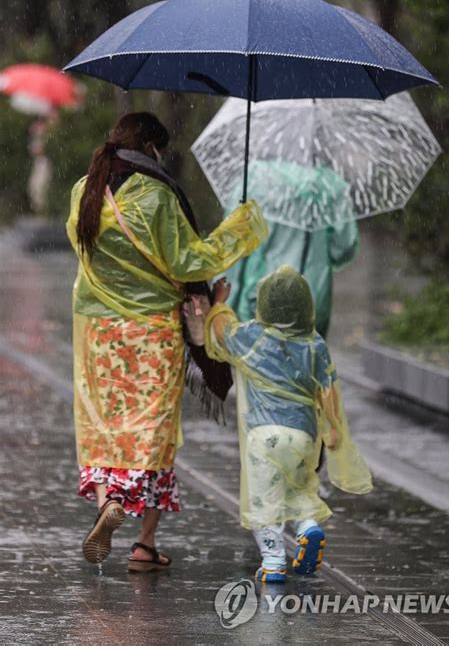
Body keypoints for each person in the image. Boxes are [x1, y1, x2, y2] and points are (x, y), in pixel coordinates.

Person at [66, 111, 267, 572]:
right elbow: (187, 261)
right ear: (152, 149)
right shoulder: (157, 196)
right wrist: (240, 228)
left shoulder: (84, 190)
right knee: (153, 434)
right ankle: (144, 544)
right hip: (152, 333)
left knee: (104, 426)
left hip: (99, 332)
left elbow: (86, 253)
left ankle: (105, 504)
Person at [204, 266, 372, 583]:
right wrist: (333, 430)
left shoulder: (252, 338)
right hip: (303, 438)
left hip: (263, 437)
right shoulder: (315, 345)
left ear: (264, 305)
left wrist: (219, 302)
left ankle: (273, 561)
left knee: (262, 500)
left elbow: (222, 330)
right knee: (298, 489)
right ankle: (309, 529)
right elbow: (328, 389)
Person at [226, 218, 359, 339]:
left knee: (258, 358)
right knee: (303, 359)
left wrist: (226, 309)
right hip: (311, 299)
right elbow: (343, 251)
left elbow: (231, 252)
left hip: (259, 298)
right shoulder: (328, 194)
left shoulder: (251, 192)